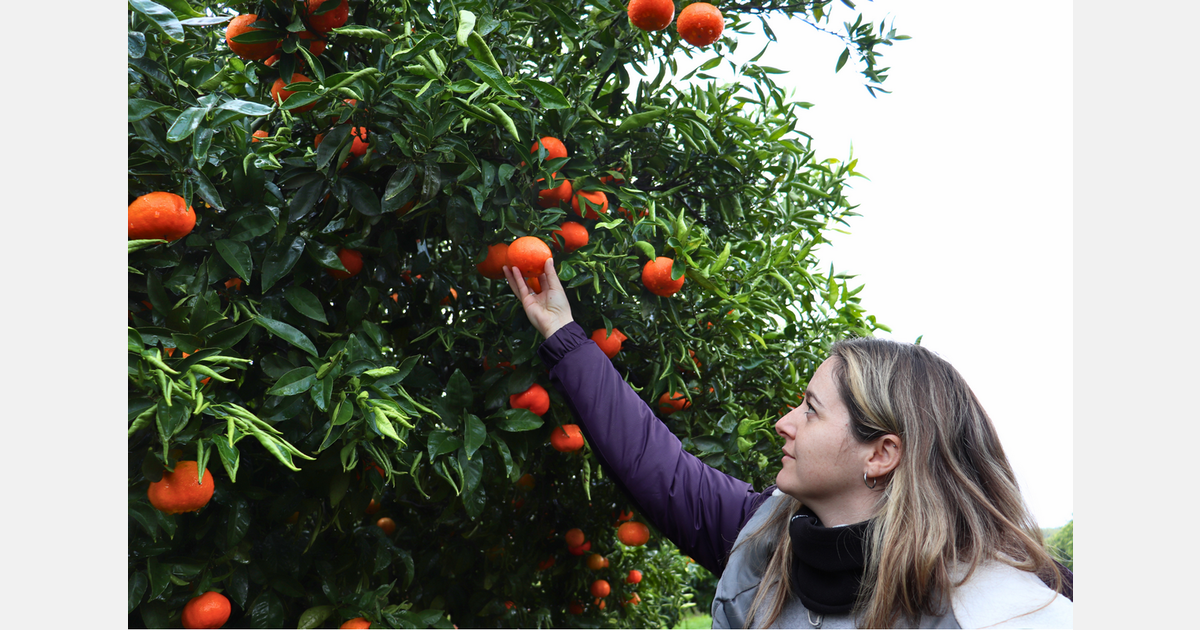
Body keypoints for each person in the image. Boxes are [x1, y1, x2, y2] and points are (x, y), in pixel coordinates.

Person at [502, 260, 1072, 629]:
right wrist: (564, 335)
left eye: (811, 409)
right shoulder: (766, 540)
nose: (784, 422)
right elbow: (656, 465)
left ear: (881, 454)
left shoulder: (997, 611)